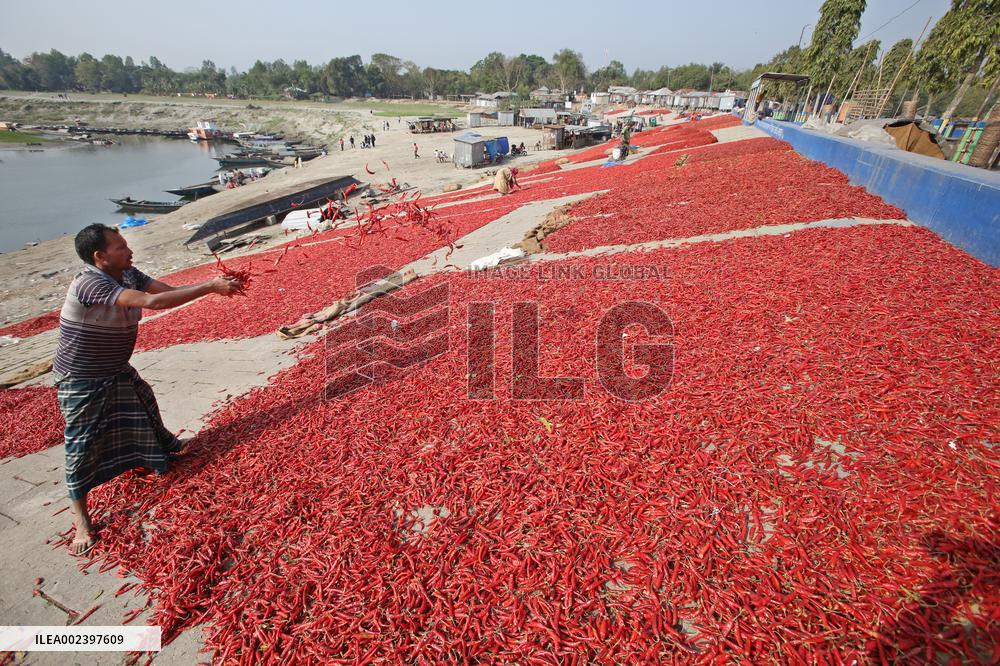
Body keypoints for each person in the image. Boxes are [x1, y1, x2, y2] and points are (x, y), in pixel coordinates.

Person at [54, 224, 243, 555]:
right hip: (82, 376)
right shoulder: (90, 284)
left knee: (144, 405)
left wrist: (213, 287)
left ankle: (160, 453)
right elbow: (153, 302)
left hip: (114, 368)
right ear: (99, 257)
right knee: (81, 444)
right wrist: (210, 286)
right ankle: (81, 520)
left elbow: (165, 291)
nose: (129, 251)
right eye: (120, 247)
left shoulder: (127, 273)